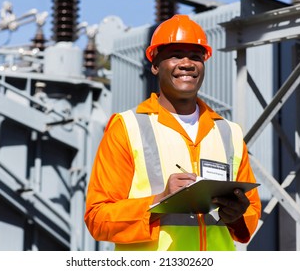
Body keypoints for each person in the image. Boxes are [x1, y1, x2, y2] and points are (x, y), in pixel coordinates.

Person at [84, 14, 261, 251]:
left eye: (196, 57)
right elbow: (97, 217)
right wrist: (160, 201)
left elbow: (251, 213)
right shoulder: (126, 127)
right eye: (176, 55)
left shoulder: (230, 133)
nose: (187, 63)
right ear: (155, 66)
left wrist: (237, 215)